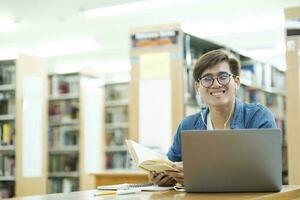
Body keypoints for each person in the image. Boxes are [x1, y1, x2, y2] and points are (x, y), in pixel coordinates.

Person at [149, 49, 277, 186]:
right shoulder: (188, 125)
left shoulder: (258, 117)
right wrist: (163, 176)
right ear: (198, 87)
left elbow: (265, 175)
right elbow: (170, 164)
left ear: (237, 82)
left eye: (223, 76)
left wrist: (198, 177)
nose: (216, 84)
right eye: (207, 79)